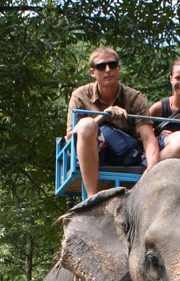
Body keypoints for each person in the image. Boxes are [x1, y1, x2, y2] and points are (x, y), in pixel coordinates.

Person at [66, 47, 160, 197]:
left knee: (179, 140)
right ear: (93, 72)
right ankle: (92, 197)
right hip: (93, 152)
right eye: (101, 66)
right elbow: (71, 137)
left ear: (118, 69)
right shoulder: (80, 96)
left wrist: (151, 171)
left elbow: (148, 138)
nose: (108, 70)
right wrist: (103, 117)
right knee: (86, 125)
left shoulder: (133, 97)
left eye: (112, 65)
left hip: (125, 154)